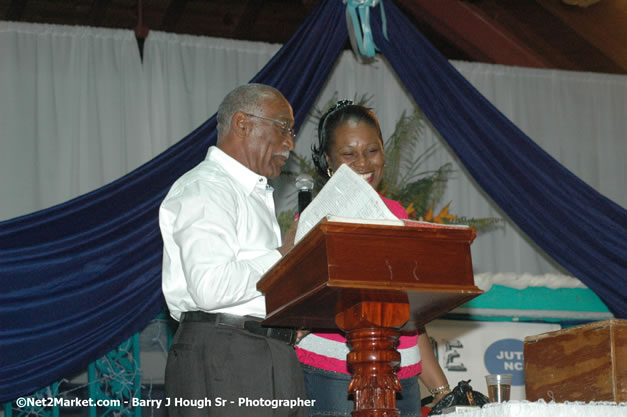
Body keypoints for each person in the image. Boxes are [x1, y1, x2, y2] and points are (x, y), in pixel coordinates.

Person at [159, 83, 308, 417]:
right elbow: (211, 286)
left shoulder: (251, 193)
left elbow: (252, 286)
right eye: (283, 129)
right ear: (243, 124)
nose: (290, 143)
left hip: (268, 353)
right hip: (227, 357)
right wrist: (284, 254)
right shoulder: (208, 187)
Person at [296, 100, 451, 417]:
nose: (364, 163)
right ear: (328, 160)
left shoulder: (396, 214)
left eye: (372, 150)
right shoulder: (312, 222)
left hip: (402, 377)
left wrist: (441, 391)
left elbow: (409, 315)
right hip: (335, 376)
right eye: (348, 154)